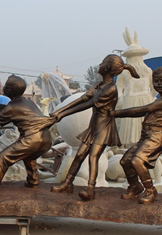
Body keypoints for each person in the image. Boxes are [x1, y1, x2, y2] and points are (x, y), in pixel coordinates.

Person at [50, 55, 139, 201]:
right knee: (79, 155)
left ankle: (91, 188)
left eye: (102, 63)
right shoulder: (99, 85)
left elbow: (89, 103)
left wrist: (62, 114)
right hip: (93, 127)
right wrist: (60, 111)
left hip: (104, 128)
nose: (99, 65)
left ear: (107, 68)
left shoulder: (111, 89)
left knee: (93, 157)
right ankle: (67, 183)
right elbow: (83, 98)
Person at [0, 75, 56, 196]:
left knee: (3, 158)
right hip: (46, 138)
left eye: (6, 85)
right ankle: (33, 180)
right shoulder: (28, 102)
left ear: (9, 90)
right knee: (29, 156)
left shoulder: (13, 106)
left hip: (32, 138)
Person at [109, 66, 162, 204]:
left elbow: (143, 110)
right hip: (147, 136)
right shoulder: (160, 99)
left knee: (137, 161)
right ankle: (135, 186)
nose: (158, 84)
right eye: (156, 81)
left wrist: (116, 113)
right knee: (125, 160)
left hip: (156, 137)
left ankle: (150, 190)